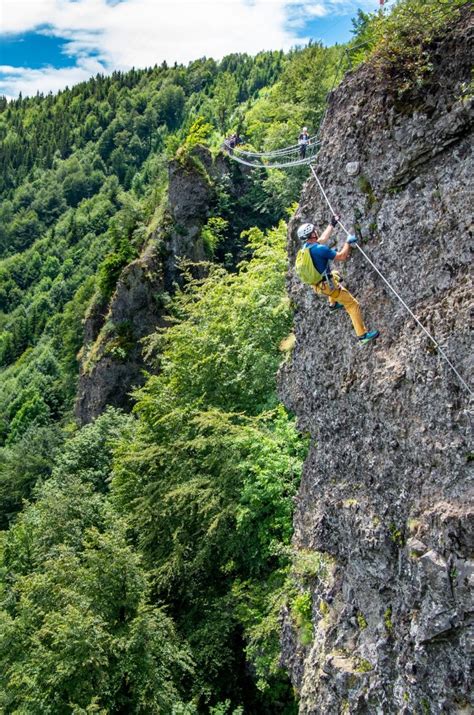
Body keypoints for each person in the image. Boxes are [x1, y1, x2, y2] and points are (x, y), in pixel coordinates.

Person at [296, 217, 379, 344]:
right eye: (314, 231)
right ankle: (362, 336)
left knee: (335, 274)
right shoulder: (319, 250)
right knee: (352, 304)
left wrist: (332, 224)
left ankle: (333, 304)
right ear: (311, 234)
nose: (316, 231)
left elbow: (321, 240)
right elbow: (342, 256)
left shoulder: (305, 250)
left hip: (318, 285)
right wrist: (348, 243)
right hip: (329, 287)